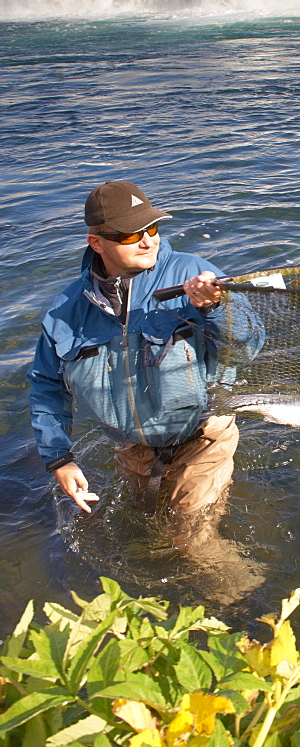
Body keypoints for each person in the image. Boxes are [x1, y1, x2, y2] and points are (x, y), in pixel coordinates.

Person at [29, 180, 265, 519]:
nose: (147, 240)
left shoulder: (193, 273)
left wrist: (214, 308)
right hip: (132, 450)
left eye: (152, 227)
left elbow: (248, 348)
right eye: (128, 234)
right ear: (96, 243)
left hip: (203, 438)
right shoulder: (65, 311)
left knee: (192, 540)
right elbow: (46, 385)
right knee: (144, 531)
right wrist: (59, 459)